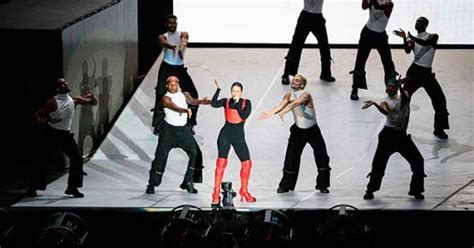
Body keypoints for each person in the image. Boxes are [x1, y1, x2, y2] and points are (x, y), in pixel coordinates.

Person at [151, 14, 205, 183]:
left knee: (193, 94)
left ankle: (190, 122)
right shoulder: (163, 36)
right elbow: (162, 42)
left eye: (175, 22)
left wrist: (181, 47)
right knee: (161, 95)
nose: (173, 24)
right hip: (167, 68)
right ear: (166, 24)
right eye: (170, 22)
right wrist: (171, 47)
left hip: (179, 68)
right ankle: (158, 124)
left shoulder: (183, 33)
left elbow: (184, 39)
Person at [259, 74, 331, 194]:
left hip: (312, 131)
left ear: (302, 84)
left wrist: (283, 112)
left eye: (297, 80)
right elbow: (281, 105)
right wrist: (270, 113)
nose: (293, 81)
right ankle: (286, 185)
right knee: (291, 158)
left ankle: (322, 185)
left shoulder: (306, 95)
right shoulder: (288, 95)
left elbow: (295, 104)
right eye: (293, 80)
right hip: (298, 131)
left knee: (321, 156)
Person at [27, 78, 98, 198]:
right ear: (58, 88)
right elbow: (38, 116)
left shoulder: (74, 100)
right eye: (63, 83)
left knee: (76, 158)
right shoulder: (52, 102)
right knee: (42, 160)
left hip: (65, 135)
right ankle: (33, 187)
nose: (66, 84)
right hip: (52, 134)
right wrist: (47, 119)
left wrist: (92, 94)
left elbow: (93, 102)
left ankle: (72, 187)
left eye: (66, 82)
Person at [362, 76, 425, 200]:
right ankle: (370, 189)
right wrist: (375, 104)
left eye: (392, 86)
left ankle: (416, 190)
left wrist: (400, 84)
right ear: (386, 90)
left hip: (402, 137)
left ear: (396, 88)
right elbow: (385, 111)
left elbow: (406, 99)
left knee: (418, 161)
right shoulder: (386, 102)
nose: (390, 88)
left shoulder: (404, 95)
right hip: (388, 136)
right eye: (388, 86)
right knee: (378, 165)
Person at [146, 76, 210, 194]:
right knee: (160, 157)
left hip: (184, 131)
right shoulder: (165, 98)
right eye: (171, 84)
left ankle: (188, 182)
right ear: (167, 85)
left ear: (178, 84)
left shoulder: (184, 94)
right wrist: (185, 110)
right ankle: (152, 183)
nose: (173, 86)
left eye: (175, 84)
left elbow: (192, 101)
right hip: (168, 132)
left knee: (194, 154)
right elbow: (172, 107)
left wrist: (202, 101)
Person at [393, 16, 450, 139]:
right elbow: (408, 50)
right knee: (404, 99)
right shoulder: (413, 41)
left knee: (439, 100)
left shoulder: (433, 36)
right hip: (414, 72)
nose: (417, 23)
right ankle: (397, 129)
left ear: (425, 25)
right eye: (416, 21)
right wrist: (404, 39)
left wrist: (410, 37)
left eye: (420, 22)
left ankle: (439, 130)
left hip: (427, 74)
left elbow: (425, 43)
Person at [211, 80, 256, 207]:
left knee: (247, 164)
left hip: (238, 137)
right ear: (231, 91)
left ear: (241, 92)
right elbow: (213, 104)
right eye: (233, 91)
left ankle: (244, 190)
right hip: (225, 135)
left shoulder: (246, 103)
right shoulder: (226, 101)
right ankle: (216, 192)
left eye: (237, 91)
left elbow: (243, 115)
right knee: (221, 163)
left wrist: (236, 103)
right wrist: (218, 89)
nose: (235, 93)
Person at [350, 0, 397, 101]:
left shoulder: (389, 3)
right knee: (360, 61)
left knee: (387, 62)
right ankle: (355, 88)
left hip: (380, 36)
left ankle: (391, 88)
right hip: (367, 33)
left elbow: (378, 6)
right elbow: (364, 6)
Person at [281, 0, 336, 85]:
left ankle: (326, 73)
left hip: (317, 17)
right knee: (296, 45)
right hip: (306, 16)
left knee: (324, 45)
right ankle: (286, 74)